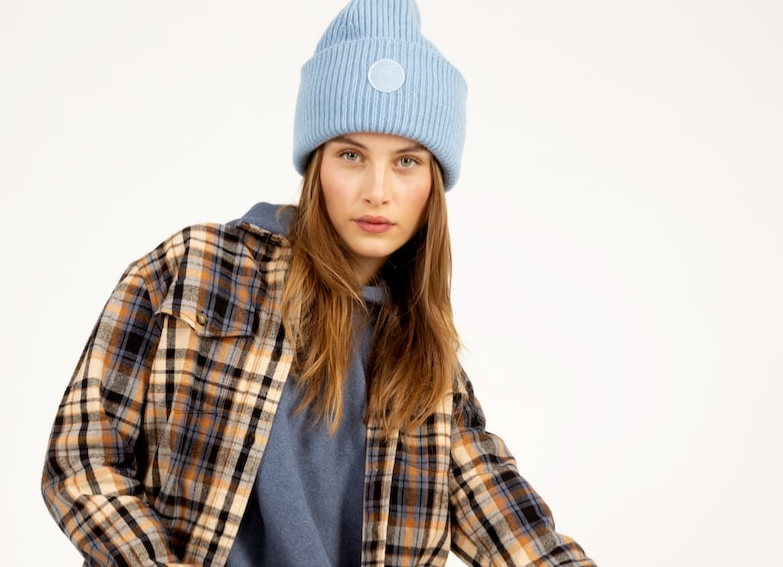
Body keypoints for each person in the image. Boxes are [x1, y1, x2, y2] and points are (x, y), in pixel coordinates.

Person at [41, 1, 597, 565]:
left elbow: (511, 525)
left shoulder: (427, 365)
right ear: (316, 166)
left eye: (406, 162)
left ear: (434, 182)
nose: (377, 190)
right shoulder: (196, 270)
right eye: (351, 155)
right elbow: (82, 460)